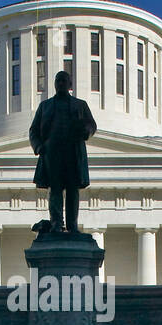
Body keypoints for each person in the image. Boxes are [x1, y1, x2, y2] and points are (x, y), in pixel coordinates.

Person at [28, 70, 97, 234]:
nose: (60, 83)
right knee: (55, 190)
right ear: (54, 84)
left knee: (73, 190)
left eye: (64, 81)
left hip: (73, 152)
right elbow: (33, 130)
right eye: (58, 81)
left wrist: (85, 131)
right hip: (52, 153)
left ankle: (72, 225)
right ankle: (56, 224)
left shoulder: (80, 105)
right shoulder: (45, 106)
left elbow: (91, 125)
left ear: (70, 84)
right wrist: (39, 147)